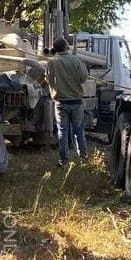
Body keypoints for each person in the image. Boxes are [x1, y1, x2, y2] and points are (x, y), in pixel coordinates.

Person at [46, 36, 89, 167]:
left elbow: (48, 80)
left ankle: (63, 161)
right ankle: (83, 160)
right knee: (79, 131)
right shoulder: (76, 59)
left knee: (62, 132)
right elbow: (84, 78)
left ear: (55, 49)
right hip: (76, 102)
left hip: (61, 102)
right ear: (66, 47)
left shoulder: (52, 62)